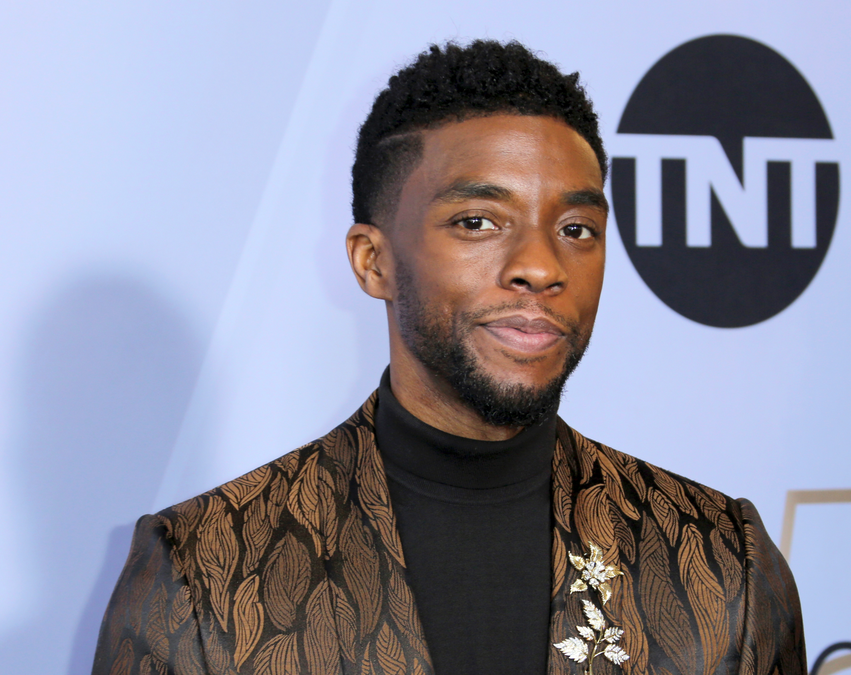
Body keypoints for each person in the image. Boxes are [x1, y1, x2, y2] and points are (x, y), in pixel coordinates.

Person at [93, 40, 805, 675]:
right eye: (477, 221)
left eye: (577, 226)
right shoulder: (202, 569)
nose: (539, 265)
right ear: (373, 261)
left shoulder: (722, 561)